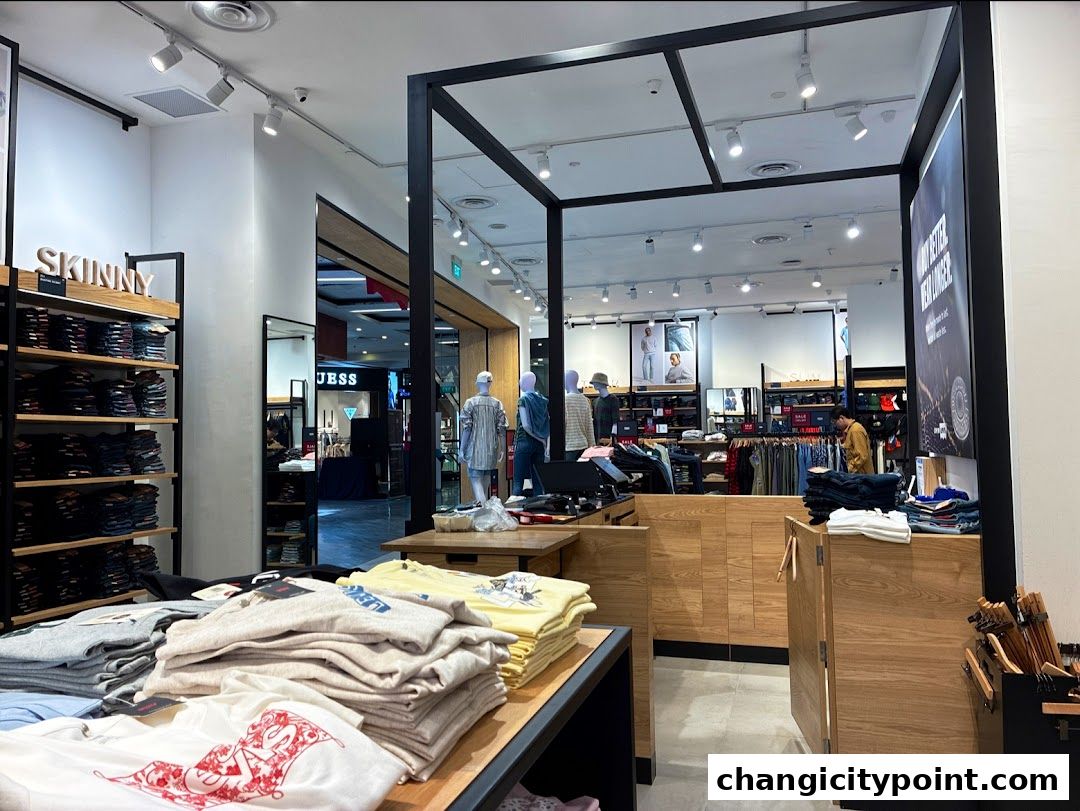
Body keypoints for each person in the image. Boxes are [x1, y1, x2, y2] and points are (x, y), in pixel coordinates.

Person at [831, 406, 874, 474]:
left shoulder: (855, 430)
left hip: (862, 477)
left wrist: (848, 469)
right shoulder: (850, 430)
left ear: (841, 418)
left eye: (835, 422)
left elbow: (862, 456)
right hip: (858, 476)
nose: (835, 426)